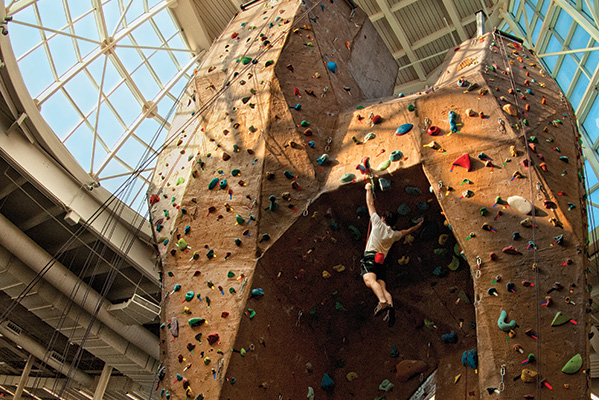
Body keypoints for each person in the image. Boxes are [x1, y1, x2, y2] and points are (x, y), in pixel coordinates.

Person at [361, 182, 424, 327]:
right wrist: (418, 225)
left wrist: (368, 188)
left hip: (371, 257)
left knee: (369, 281)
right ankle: (390, 307)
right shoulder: (394, 234)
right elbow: (407, 231)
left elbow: (370, 204)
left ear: (383, 218)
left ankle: (383, 303)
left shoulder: (377, 224)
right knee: (382, 288)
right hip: (380, 262)